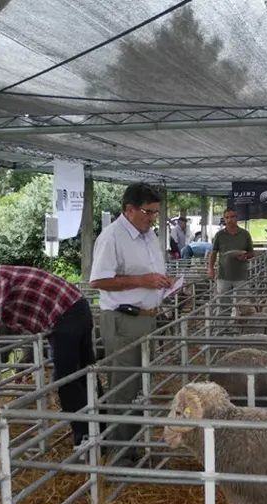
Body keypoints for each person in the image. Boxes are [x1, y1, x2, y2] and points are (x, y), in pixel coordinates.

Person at [0, 263, 96, 446]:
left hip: (65, 314)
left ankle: (86, 438)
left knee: (66, 379)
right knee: (85, 372)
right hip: (72, 309)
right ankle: (101, 429)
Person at [89, 183, 170, 465]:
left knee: (138, 386)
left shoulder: (148, 235)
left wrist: (162, 283)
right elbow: (98, 280)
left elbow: (149, 273)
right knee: (123, 387)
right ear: (129, 209)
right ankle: (119, 456)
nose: (152, 218)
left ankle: (132, 447)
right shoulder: (112, 237)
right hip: (124, 319)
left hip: (146, 317)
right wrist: (142, 281)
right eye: (148, 212)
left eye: (155, 213)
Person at [208, 207, 254, 295]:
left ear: (236, 218)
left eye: (232, 217)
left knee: (242, 301)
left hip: (241, 276)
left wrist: (245, 256)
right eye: (227, 217)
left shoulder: (245, 234)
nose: (230, 220)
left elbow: (251, 253)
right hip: (223, 276)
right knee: (223, 301)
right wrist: (210, 269)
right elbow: (213, 253)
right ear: (224, 219)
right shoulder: (219, 235)